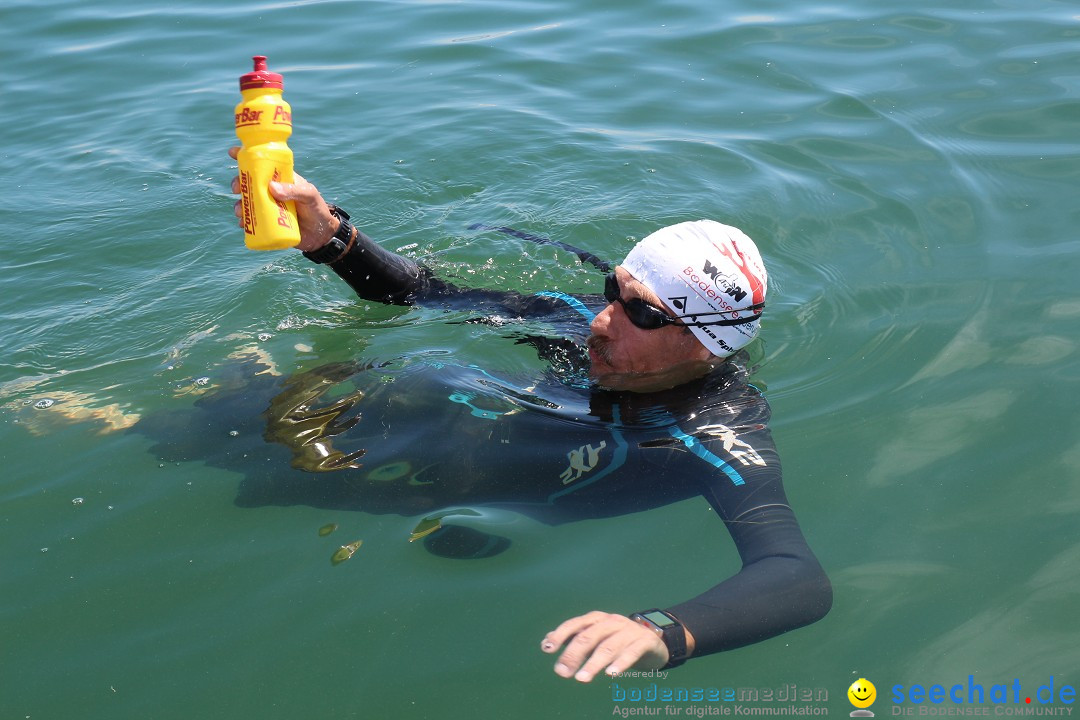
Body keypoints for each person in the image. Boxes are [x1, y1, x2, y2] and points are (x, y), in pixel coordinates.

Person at [227, 147, 832, 682]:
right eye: (613, 292)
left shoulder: (716, 429)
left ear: (707, 344)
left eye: (641, 314)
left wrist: (662, 633)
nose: (601, 320)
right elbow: (426, 297)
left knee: (249, 448)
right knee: (268, 406)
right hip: (435, 432)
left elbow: (796, 577)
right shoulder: (580, 323)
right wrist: (329, 235)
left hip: (438, 491)